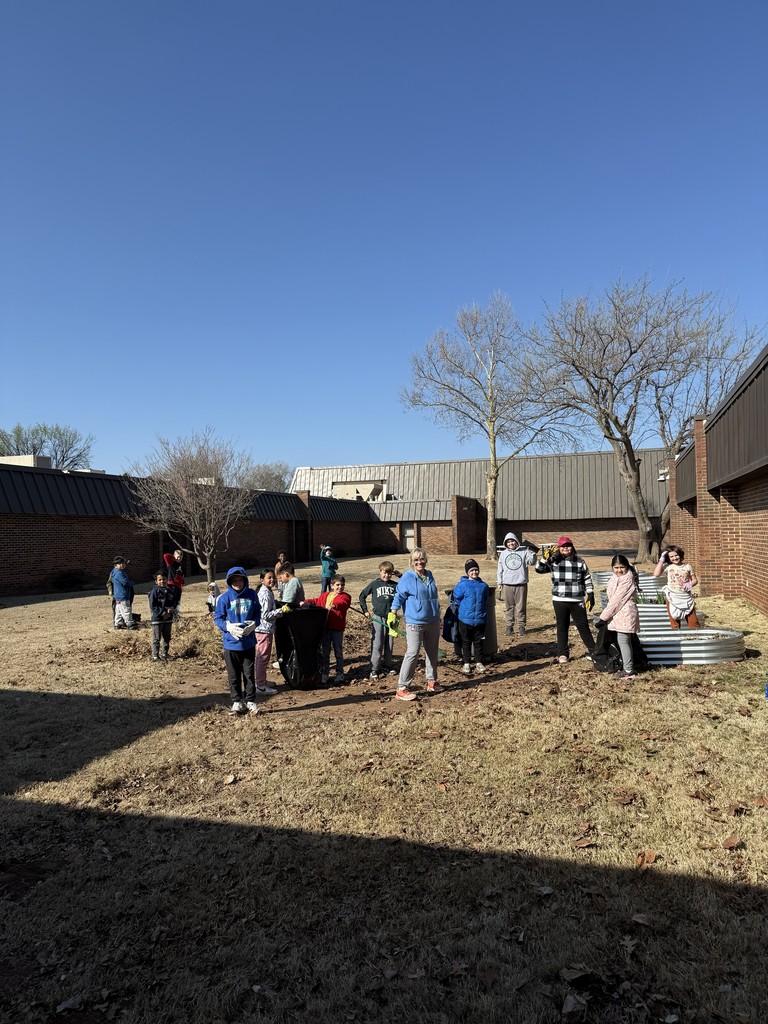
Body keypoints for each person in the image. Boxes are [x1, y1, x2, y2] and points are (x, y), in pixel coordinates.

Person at [389, 548, 442, 701]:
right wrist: (393, 612)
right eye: (416, 560)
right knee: (412, 653)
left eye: (422, 559)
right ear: (411, 562)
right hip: (415, 621)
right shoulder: (407, 577)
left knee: (432, 652)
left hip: (432, 620)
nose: (420, 562)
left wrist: (439, 615)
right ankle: (402, 688)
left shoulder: (429, 575)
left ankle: (432, 681)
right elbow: (399, 596)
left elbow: (434, 597)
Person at [535, 536, 596, 663]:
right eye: (562, 546)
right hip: (559, 600)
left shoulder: (580, 562)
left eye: (568, 546)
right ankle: (563, 653)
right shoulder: (553, 562)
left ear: (572, 547)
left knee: (583, 626)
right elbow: (539, 569)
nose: (565, 548)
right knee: (562, 626)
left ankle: (594, 651)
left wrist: (590, 594)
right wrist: (544, 558)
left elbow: (587, 578)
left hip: (577, 600)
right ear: (559, 548)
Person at [214, 566, 261, 714]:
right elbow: (218, 618)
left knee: (249, 674)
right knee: (233, 675)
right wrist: (228, 627)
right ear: (229, 582)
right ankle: (237, 701)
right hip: (231, 643)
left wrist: (254, 624)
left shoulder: (252, 595)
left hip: (248, 642)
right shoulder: (223, 599)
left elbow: (258, 612)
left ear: (245, 580)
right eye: (234, 580)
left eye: (240, 580)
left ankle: (251, 701)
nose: (237, 583)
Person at [301, 574, 352, 684]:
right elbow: (316, 601)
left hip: (337, 629)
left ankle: (340, 674)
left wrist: (334, 605)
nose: (340, 587)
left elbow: (343, 603)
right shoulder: (325, 595)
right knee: (326, 652)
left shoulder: (345, 596)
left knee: (338, 652)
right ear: (332, 585)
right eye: (338, 585)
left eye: (342, 585)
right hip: (325, 628)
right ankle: (325, 673)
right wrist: (305, 602)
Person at [598, 554, 640, 678]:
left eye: (622, 567)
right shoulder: (617, 576)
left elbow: (617, 600)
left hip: (625, 612)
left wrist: (603, 617)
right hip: (617, 613)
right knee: (624, 640)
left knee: (623, 640)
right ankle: (629, 666)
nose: (619, 570)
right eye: (616, 567)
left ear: (627, 566)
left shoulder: (627, 579)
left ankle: (628, 670)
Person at [359, 560, 401, 679]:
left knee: (389, 643)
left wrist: (399, 575)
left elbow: (407, 586)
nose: (386, 575)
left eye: (389, 573)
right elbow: (362, 596)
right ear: (380, 572)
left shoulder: (395, 585)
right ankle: (374, 668)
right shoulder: (374, 584)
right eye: (384, 573)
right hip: (378, 617)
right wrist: (365, 610)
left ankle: (387, 665)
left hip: (392, 618)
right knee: (377, 642)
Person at [497, 532, 538, 636]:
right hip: (507, 584)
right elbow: (500, 569)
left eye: (512, 541)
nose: (511, 543)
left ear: (516, 542)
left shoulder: (524, 552)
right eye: (508, 542)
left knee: (521, 606)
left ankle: (521, 626)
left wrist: (532, 553)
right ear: (506, 543)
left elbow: (531, 562)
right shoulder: (503, 554)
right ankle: (509, 626)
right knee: (509, 606)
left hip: (521, 583)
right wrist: (500, 582)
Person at [453, 559, 489, 675]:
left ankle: (479, 662)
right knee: (466, 641)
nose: (474, 572)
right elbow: (457, 598)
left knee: (479, 642)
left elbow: (485, 598)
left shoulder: (483, 586)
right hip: (465, 619)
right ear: (467, 572)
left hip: (480, 619)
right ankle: (466, 662)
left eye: (476, 570)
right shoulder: (461, 585)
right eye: (471, 570)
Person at [254, 569, 287, 695]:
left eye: (273, 577)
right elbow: (266, 615)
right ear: (262, 580)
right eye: (269, 578)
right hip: (263, 630)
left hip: (264, 629)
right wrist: (281, 611)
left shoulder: (268, 592)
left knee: (262, 657)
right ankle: (260, 686)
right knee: (262, 657)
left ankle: (261, 681)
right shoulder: (265, 594)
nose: (272, 580)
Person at [653, 545, 700, 629]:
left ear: (680, 555)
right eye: (671, 556)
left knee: (694, 622)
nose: (674, 558)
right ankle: (677, 637)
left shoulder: (687, 566)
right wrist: (661, 561)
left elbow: (695, 580)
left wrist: (690, 584)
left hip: (685, 597)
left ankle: (696, 637)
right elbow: (656, 574)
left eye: (676, 555)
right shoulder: (668, 567)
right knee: (674, 623)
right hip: (672, 597)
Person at [148, 570, 180, 661]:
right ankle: (155, 655)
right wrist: (162, 613)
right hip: (158, 618)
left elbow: (174, 602)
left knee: (167, 637)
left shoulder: (170, 591)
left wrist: (172, 609)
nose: (162, 581)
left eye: (164, 579)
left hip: (168, 618)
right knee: (156, 638)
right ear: (156, 581)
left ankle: (165, 654)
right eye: (160, 580)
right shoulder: (154, 591)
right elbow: (152, 605)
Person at [110, 556, 136, 631]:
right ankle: (129, 623)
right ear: (116, 565)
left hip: (118, 595)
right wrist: (131, 583)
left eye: (123, 563)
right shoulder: (119, 573)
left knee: (118, 610)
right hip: (123, 595)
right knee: (126, 609)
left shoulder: (114, 572)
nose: (122, 565)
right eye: (120, 564)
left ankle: (118, 623)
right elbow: (125, 582)